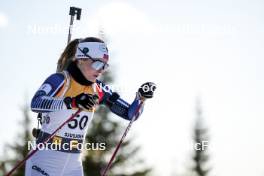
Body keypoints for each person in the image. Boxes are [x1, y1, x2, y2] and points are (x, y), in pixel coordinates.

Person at [25, 37, 156, 176]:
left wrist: (140, 99)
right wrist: (71, 102)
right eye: (98, 64)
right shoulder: (61, 80)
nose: (101, 71)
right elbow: (36, 103)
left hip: (73, 163)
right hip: (46, 157)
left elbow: (130, 114)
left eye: (105, 66)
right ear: (81, 59)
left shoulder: (98, 88)